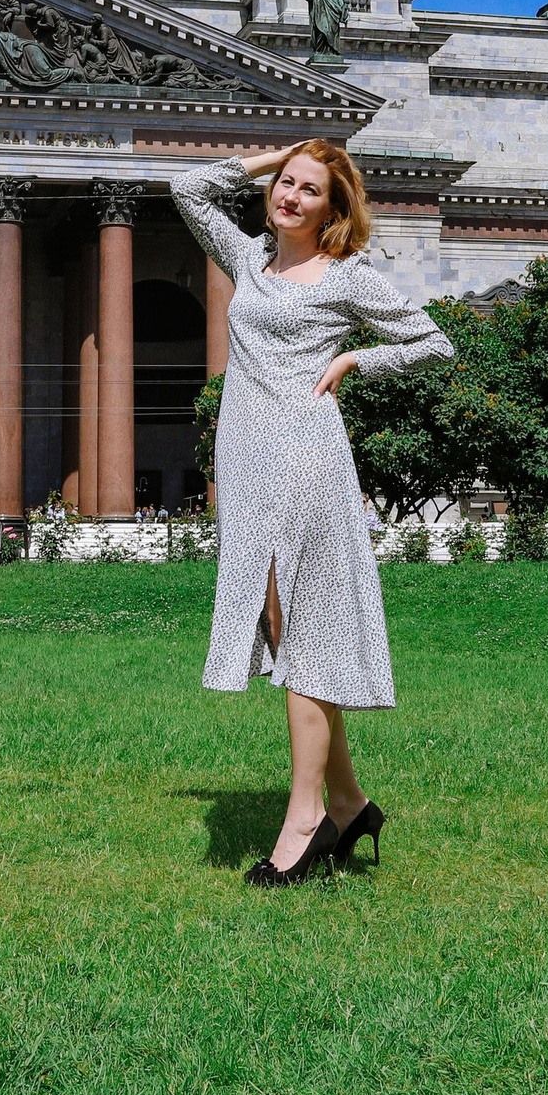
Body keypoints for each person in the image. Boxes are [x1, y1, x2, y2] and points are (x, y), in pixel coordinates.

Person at [174, 141, 454, 887]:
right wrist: (274, 155)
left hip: (305, 458)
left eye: (309, 189)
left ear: (334, 208)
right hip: (245, 462)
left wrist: (357, 360)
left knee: (303, 636)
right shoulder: (247, 259)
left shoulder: (345, 276)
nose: (291, 196)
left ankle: (306, 819)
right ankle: (351, 799)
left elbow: (434, 340)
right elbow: (188, 188)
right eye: (286, 184)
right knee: (282, 629)